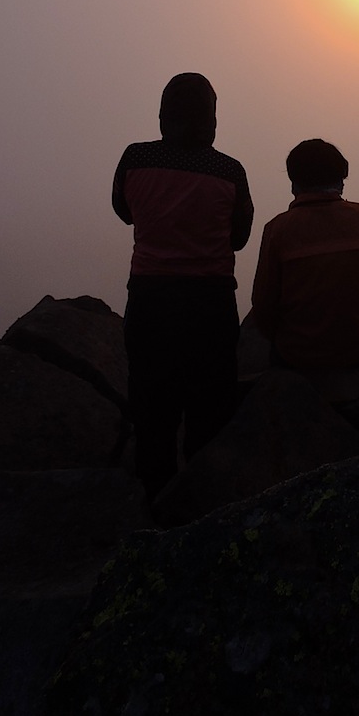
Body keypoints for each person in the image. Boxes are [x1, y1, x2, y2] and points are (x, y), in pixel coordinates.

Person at [112, 72, 253, 499]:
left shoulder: (135, 159)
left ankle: (153, 503)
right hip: (210, 305)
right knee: (210, 411)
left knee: (153, 410)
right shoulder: (229, 170)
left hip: (151, 302)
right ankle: (203, 505)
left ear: (162, 117)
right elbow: (240, 238)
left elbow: (123, 211)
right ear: (211, 120)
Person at [251, 139, 359, 369]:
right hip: (356, 348)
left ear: (294, 182)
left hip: (297, 354)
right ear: (340, 179)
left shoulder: (278, 229)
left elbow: (263, 305)